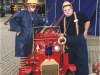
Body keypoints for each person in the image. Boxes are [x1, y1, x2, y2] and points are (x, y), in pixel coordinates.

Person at [9, 0, 44, 74]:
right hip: (22, 38)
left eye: (34, 4)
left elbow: (42, 23)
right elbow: (12, 21)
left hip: (32, 38)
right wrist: (18, 29)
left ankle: (30, 68)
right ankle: (23, 71)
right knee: (23, 55)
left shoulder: (37, 15)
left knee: (32, 54)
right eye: (31, 4)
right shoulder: (21, 13)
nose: (33, 5)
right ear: (28, 5)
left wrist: (38, 30)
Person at [59, 1, 90, 75]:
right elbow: (61, 33)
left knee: (82, 60)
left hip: (79, 40)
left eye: (68, 9)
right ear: (63, 11)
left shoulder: (79, 14)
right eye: (65, 10)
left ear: (72, 9)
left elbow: (87, 21)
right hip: (68, 42)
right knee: (69, 60)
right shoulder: (62, 21)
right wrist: (62, 43)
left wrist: (86, 31)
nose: (67, 11)